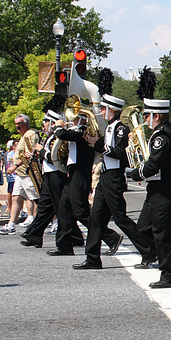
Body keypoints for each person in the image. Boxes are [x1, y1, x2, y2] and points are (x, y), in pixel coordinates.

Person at [72, 94, 154, 269]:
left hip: (114, 177)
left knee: (121, 219)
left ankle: (148, 251)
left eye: (103, 109)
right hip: (105, 176)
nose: (100, 112)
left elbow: (118, 153)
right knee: (95, 218)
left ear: (111, 110)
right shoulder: (110, 128)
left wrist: (98, 145)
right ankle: (92, 258)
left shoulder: (120, 128)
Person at [46, 113, 121, 256]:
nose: (71, 121)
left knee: (81, 212)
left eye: (74, 118)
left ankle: (111, 237)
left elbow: (62, 134)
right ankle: (64, 246)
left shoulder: (84, 131)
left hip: (81, 173)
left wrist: (57, 126)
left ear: (83, 119)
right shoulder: (76, 130)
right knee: (63, 209)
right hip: (73, 172)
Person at [131, 98, 171, 288]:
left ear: (157, 116)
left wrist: (135, 172)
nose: (145, 120)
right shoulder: (160, 133)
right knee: (143, 228)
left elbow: (154, 164)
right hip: (156, 189)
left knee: (162, 233)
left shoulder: (163, 135)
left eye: (147, 116)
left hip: (165, 190)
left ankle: (170, 274)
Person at [20, 110, 81, 248]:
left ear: (52, 122)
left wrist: (41, 151)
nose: (44, 125)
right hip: (48, 174)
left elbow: (56, 158)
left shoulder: (57, 137)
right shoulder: (49, 137)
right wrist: (38, 154)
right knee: (44, 207)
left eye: (46, 122)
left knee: (61, 208)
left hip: (56, 175)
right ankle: (34, 235)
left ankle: (75, 236)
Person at [0, 115, 39, 235]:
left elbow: (30, 153)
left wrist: (15, 165)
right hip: (20, 174)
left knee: (36, 199)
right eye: (16, 123)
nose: (17, 126)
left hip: (28, 172)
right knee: (16, 197)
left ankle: (44, 224)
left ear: (26, 123)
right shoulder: (23, 136)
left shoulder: (30, 135)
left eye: (20, 123)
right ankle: (11, 225)